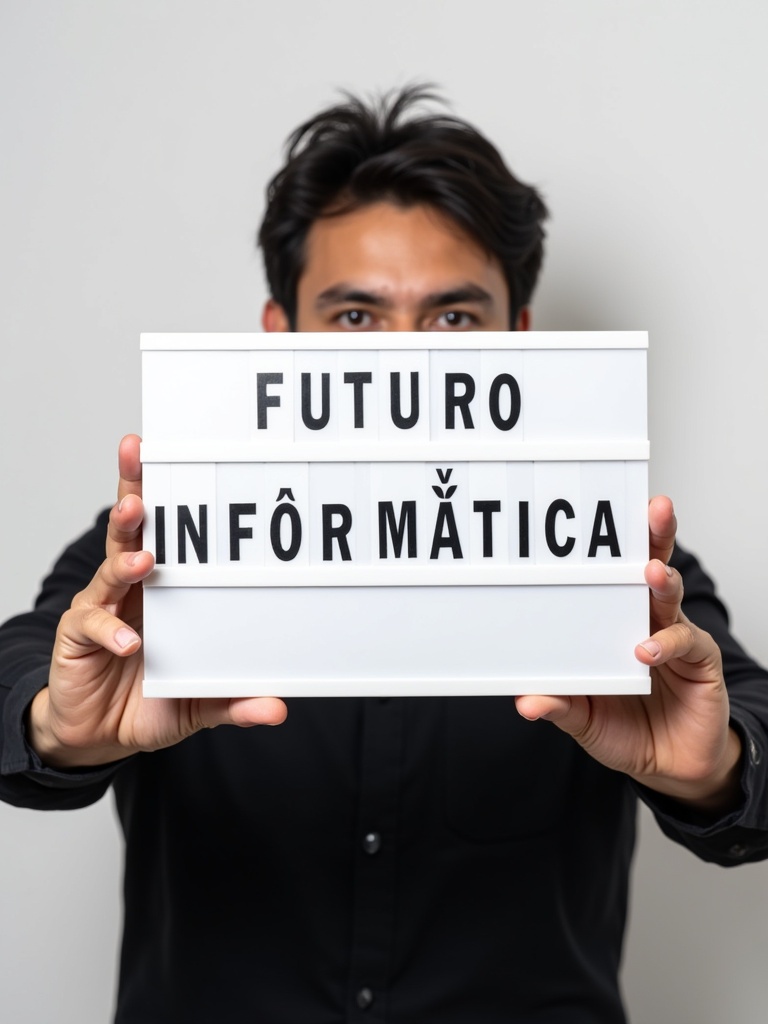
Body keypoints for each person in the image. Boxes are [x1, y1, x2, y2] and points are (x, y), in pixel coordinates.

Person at [2, 86, 768, 1024]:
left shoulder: (612, 554)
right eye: (356, 318)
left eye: (453, 319)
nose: (406, 363)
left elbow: (747, 727)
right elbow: (23, 669)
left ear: (517, 340)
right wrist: (50, 726)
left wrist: (719, 766)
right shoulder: (157, 541)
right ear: (278, 339)